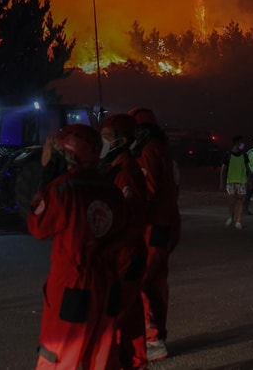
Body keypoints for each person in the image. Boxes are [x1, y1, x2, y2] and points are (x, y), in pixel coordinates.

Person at [29, 124, 129, 370]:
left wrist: (45, 176)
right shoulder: (112, 190)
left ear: (68, 155)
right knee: (102, 354)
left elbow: (38, 226)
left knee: (59, 353)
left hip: (72, 285)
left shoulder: (64, 188)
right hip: (108, 282)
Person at [129, 107, 181, 362]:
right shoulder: (163, 149)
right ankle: (156, 336)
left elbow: (147, 191)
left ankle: (153, 340)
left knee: (142, 281)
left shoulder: (149, 151)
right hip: (166, 225)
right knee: (157, 282)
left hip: (154, 228)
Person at [100, 113, 150, 369]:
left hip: (126, 254)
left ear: (121, 140)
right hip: (124, 253)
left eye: (107, 137)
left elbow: (128, 215)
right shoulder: (115, 167)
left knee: (120, 315)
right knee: (127, 315)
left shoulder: (126, 170)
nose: (102, 142)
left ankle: (132, 361)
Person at [219, 136, 250, 229]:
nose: (243, 145)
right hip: (231, 181)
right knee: (231, 201)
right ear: (237, 143)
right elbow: (223, 170)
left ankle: (238, 221)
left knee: (240, 200)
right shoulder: (228, 155)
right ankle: (231, 217)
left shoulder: (244, 155)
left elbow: (247, 169)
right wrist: (222, 182)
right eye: (241, 143)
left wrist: (249, 180)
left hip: (242, 181)